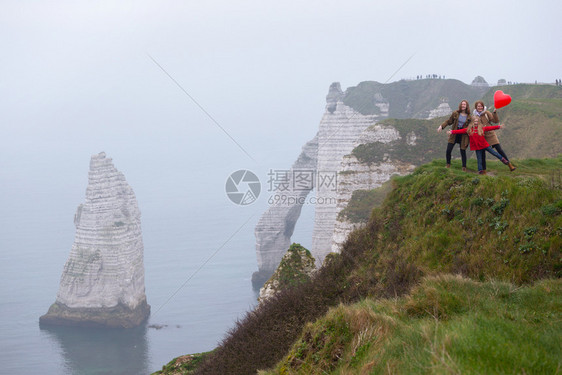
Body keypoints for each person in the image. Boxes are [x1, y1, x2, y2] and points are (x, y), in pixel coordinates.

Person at [473, 100, 516, 172]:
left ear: (483, 107)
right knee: (483, 154)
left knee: (499, 150)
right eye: (478, 106)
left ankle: (509, 165)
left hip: (491, 134)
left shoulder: (486, 113)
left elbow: (495, 121)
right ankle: (484, 171)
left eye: (481, 106)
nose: (480, 107)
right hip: (482, 137)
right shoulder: (475, 116)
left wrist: (495, 113)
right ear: (476, 107)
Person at [437, 100, 471, 171]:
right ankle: (448, 165)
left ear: (467, 106)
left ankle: (464, 167)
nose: (463, 106)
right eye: (462, 104)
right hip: (454, 134)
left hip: (463, 135)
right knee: (448, 150)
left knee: (463, 151)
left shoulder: (469, 117)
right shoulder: (455, 113)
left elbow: (470, 127)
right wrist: (441, 126)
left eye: (464, 104)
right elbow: (449, 121)